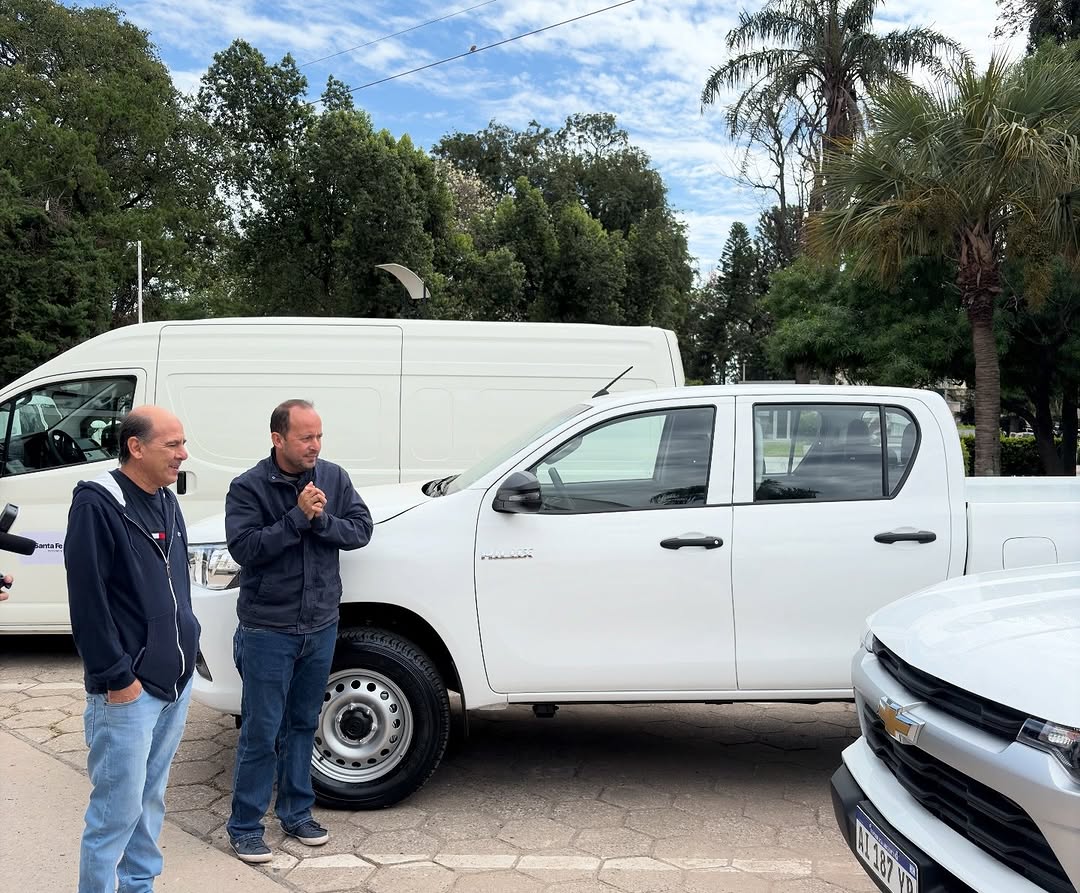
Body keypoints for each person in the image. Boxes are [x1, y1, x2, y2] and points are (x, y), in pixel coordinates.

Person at [226, 399, 373, 863]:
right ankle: (245, 826)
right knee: (261, 730)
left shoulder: (334, 477)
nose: (315, 445)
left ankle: (296, 813)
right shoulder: (248, 487)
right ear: (278, 439)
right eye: (305, 437)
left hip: (320, 624)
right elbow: (245, 549)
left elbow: (361, 530)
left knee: (303, 724)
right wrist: (296, 517)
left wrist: (321, 519)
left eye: (319, 436)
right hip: (268, 629)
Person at [64, 406, 199, 893]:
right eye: (173, 445)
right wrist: (117, 677)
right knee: (114, 815)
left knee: (150, 803)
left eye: (183, 443)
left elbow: (176, 586)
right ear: (135, 447)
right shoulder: (98, 504)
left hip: (174, 682)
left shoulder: (166, 500)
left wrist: (190, 648)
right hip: (127, 692)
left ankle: (139, 887)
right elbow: (88, 602)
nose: (183, 455)